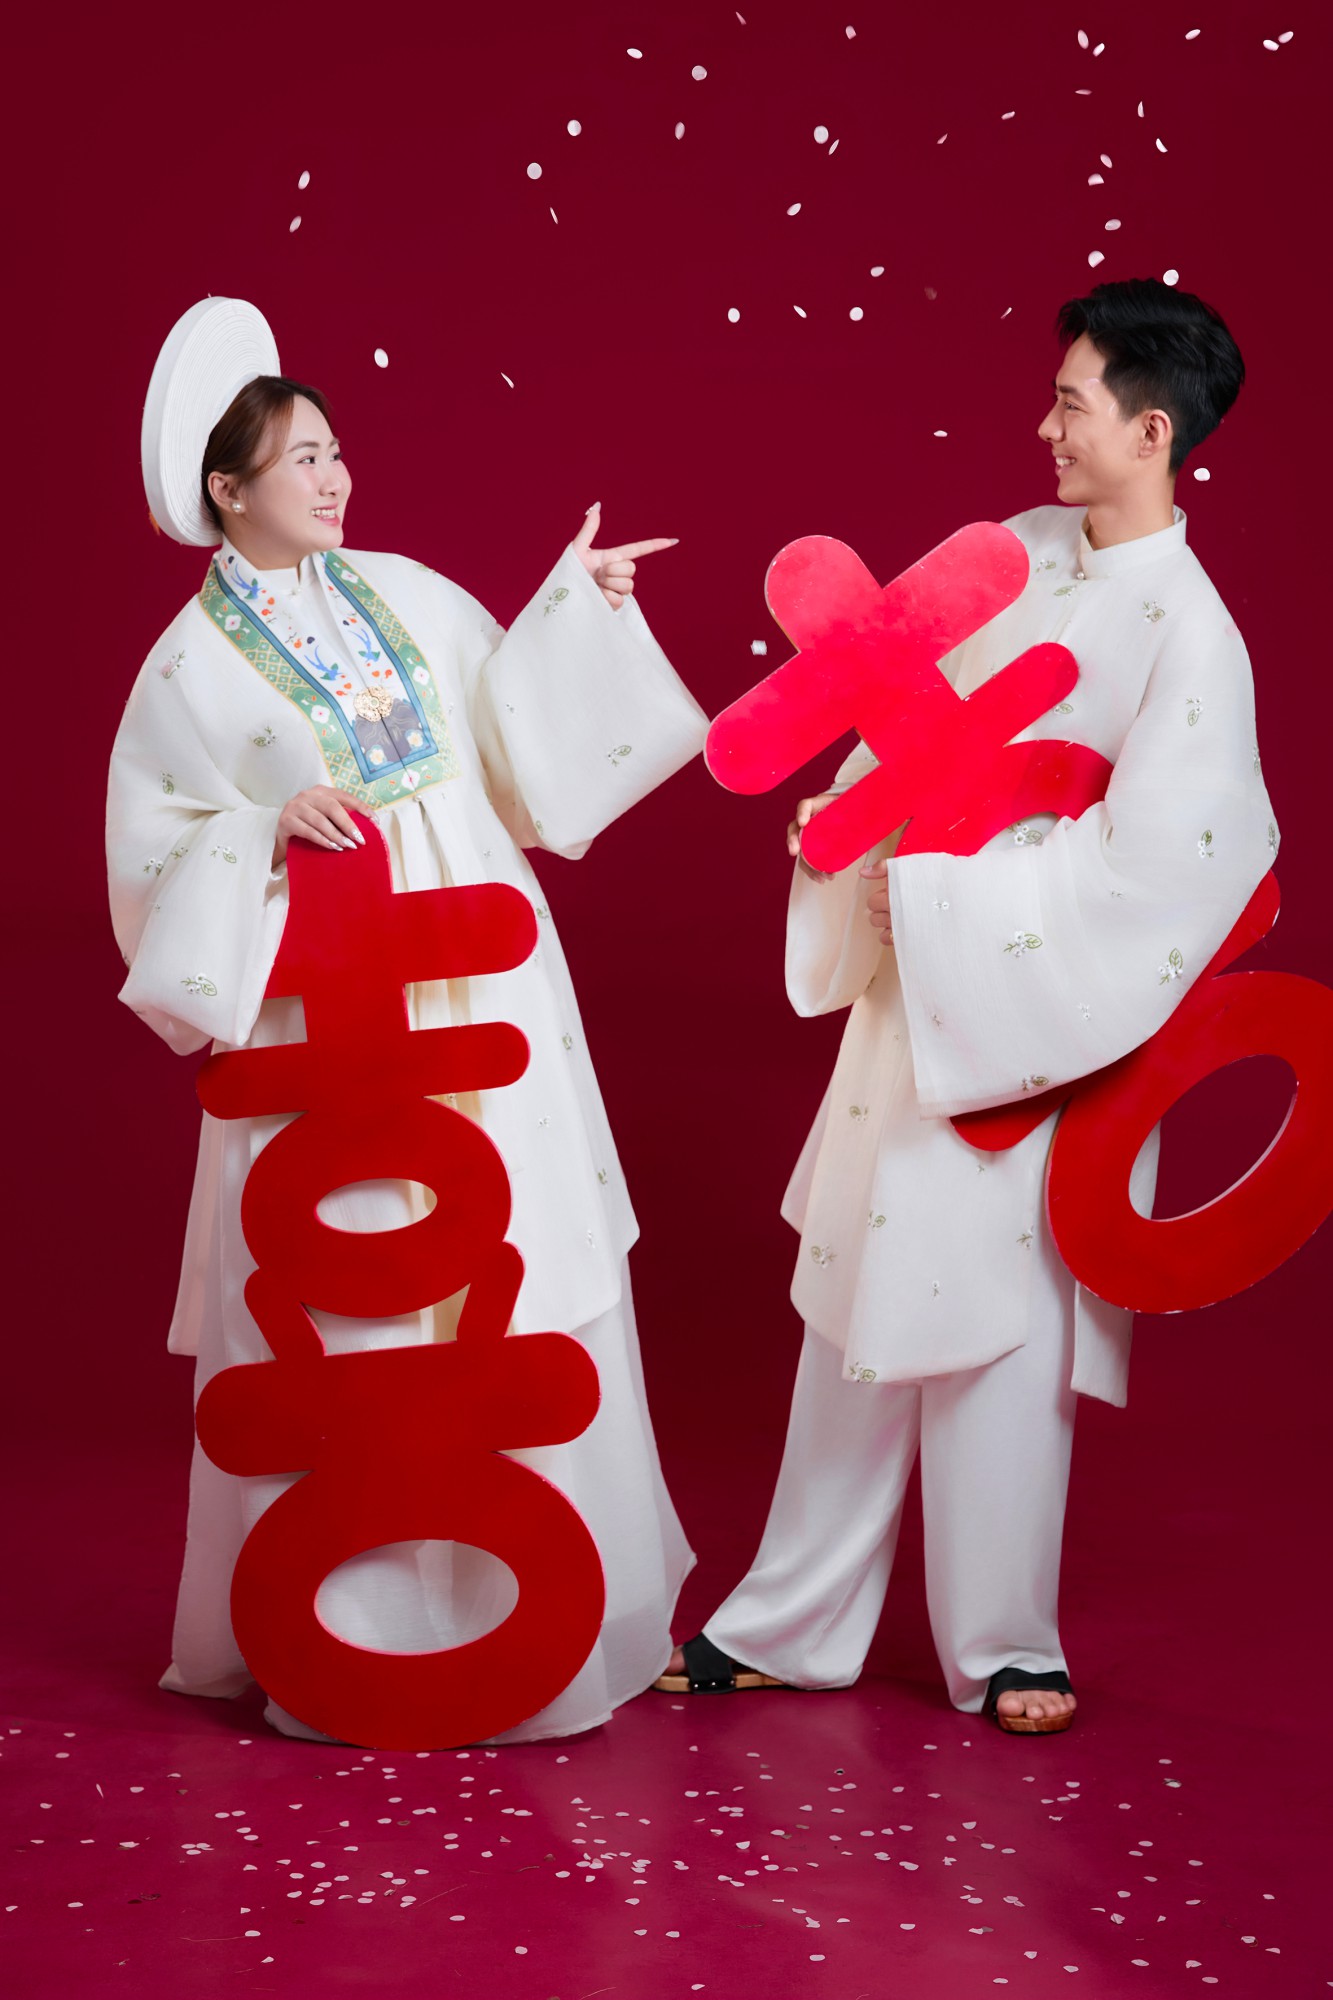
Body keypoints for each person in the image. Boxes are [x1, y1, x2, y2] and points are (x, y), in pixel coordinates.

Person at [658, 278, 1277, 1733]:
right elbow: (896, 717)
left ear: (1150, 431)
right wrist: (848, 833)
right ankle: (787, 1617)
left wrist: (946, 909)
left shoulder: (1191, 633)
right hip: (917, 990)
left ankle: (1005, 1638)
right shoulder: (1008, 553)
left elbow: (1175, 868)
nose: (1044, 428)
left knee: (1002, 1318)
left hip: (1026, 1008)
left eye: (1071, 404)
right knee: (857, 1301)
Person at [110, 296, 708, 1743]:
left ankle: (557, 1609)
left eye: (335, 450)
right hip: (329, 1015)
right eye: (301, 459)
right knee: (361, 1287)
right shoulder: (183, 672)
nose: (334, 478)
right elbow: (151, 860)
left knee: (510, 1250)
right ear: (226, 488)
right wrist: (260, 829)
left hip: (484, 985)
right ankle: (362, 1628)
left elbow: (514, 747)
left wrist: (578, 610)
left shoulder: (412, 593)